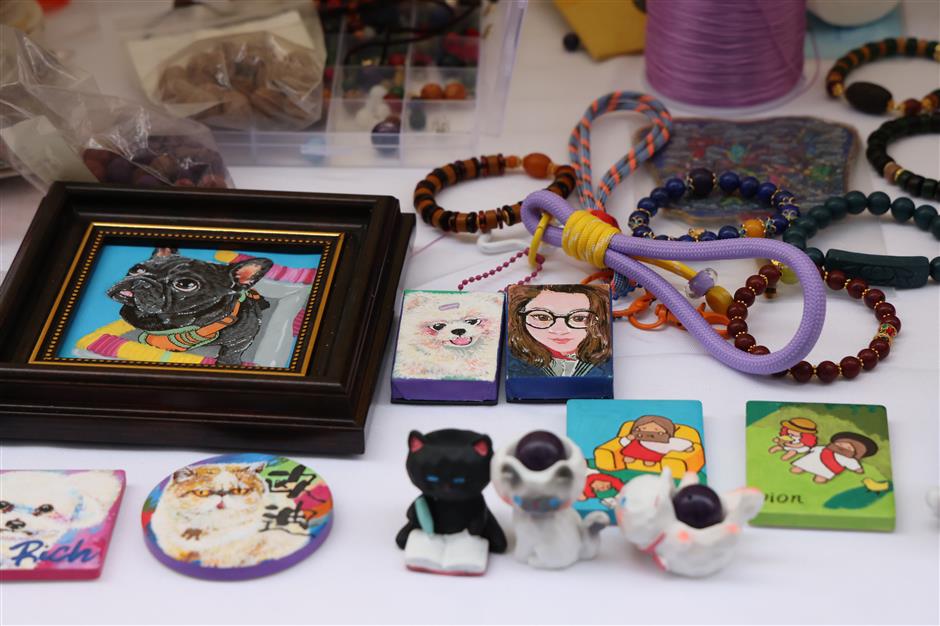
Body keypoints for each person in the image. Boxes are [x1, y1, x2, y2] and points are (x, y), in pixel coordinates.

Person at [507, 284, 612, 377]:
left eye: (578, 318)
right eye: (542, 317)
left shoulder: (604, 361)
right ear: (519, 317)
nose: (559, 331)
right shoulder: (514, 360)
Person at [790, 432, 878, 484]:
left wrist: (858, 470)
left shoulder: (849, 459)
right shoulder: (823, 448)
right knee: (801, 465)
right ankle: (799, 468)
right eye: (840, 444)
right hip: (811, 461)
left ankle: (820, 477)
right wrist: (810, 450)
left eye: (848, 447)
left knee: (821, 477)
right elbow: (814, 449)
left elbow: (854, 465)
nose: (841, 447)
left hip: (826, 468)